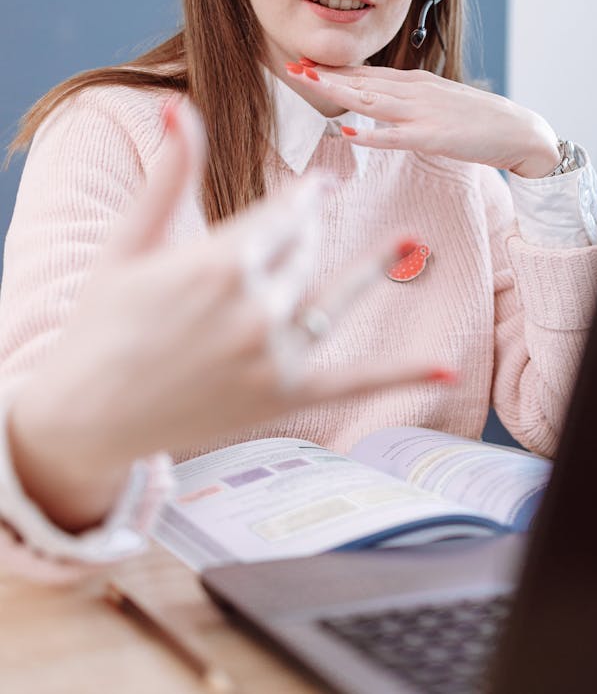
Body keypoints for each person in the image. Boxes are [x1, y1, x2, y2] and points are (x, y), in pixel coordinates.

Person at [1, 0, 597, 566]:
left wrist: (545, 167)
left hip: (397, 606)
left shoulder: (466, 167)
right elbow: (33, 464)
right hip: (178, 623)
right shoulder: (109, 134)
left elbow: (566, 423)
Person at [0, 98, 445, 579]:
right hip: (176, 605)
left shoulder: (458, 154)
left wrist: (537, 171)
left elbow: (536, 416)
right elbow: (49, 394)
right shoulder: (106, 125)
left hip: (431, 581)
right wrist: (68, 451)